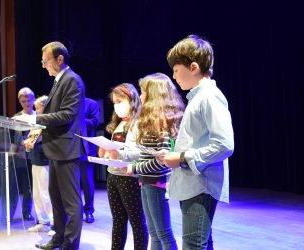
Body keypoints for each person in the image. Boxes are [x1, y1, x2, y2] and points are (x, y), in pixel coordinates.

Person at [162, 34, 235, 250]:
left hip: (200, 185)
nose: (173, 76)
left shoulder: (209, 97)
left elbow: (224, 144)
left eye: (176, 70)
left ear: (193, 67)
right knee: (201, 244)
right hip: (194, 184)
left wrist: (183, 157)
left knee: (194, 245)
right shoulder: (199, 97)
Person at [17, 41, 89, 250]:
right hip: (56, 149)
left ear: (59, 59)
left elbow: (67, 114)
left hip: (67, 149)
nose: (43, 65)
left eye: (45, 60)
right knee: (56, 200)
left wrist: (35, 119)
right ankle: (58, 238)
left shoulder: (72, 80)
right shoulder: (60, 80)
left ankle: (70, 244)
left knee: (71, 202)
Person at [123, 73, 185, 250]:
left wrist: (135, 167)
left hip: (156, 182)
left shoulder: (163, 123)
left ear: (153, 96)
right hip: (147, 181)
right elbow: (150, 154)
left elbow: (163, 161)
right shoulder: (150, 121)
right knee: (154, 232)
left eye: (143, 92)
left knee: (164, 233)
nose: (140, 97)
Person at [98, 83, 148, 250]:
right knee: (118, 221)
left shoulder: (140, 123)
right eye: (114, 102)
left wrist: (119, 153)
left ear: (131, 100)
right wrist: (104, 151)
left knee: (137, 221)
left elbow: (143, 152)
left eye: (120, 101)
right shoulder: (119, 124)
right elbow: (114, 151)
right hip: (113, 176)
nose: (116, 105)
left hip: (130, 178)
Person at [23, 95, 55, 236]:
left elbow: (51, 147)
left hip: (46, 164)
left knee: (47, 195)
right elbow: (30, 144)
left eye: (37, 108)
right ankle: (43, 222)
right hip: (35, 163)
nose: (35, 111)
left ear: (46, 107)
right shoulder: (36, 125)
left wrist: (36, 145)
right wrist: (27, 145)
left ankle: (54, 224)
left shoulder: (50, 125)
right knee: (36, 195)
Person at [11, 87, 35, 222]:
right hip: (20, 157)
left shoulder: (39, 116)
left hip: (34, 157)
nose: (27, 104)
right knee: (15, 188)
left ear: (33, 99)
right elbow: (13, 138)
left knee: (29, 188)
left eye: (29, 100)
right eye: (23, 101)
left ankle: (27, 213)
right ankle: (10, 215)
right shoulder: (16, 117)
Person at [79, 97, 99, 223]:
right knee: (72, 184)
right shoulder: (67, 102)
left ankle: (89, 211)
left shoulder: (91, 103)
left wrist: (78, 120)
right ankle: (76, 212)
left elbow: (95, 122)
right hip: (69, 149)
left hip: (86, 149)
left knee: (87, 183)